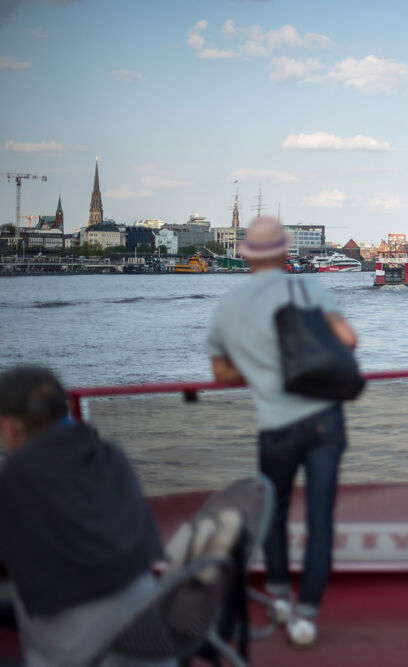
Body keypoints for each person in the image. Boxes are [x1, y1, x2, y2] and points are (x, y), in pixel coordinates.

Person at [207, 216, 357, 648]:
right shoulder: (308, 288)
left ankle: (277, 597)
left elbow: (220, 373)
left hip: (276, 424)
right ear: (286, 251)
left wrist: (259, 367)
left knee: (273, 513)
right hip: (326, 417)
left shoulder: (229, 306)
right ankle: (307, 614)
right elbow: (348, 339)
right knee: (320, 516)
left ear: (245, 255)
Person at [0, 366, 167, 667]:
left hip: (79, 654)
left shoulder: (15, 477)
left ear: (11, 427)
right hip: (151, 641)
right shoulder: (110, 455)